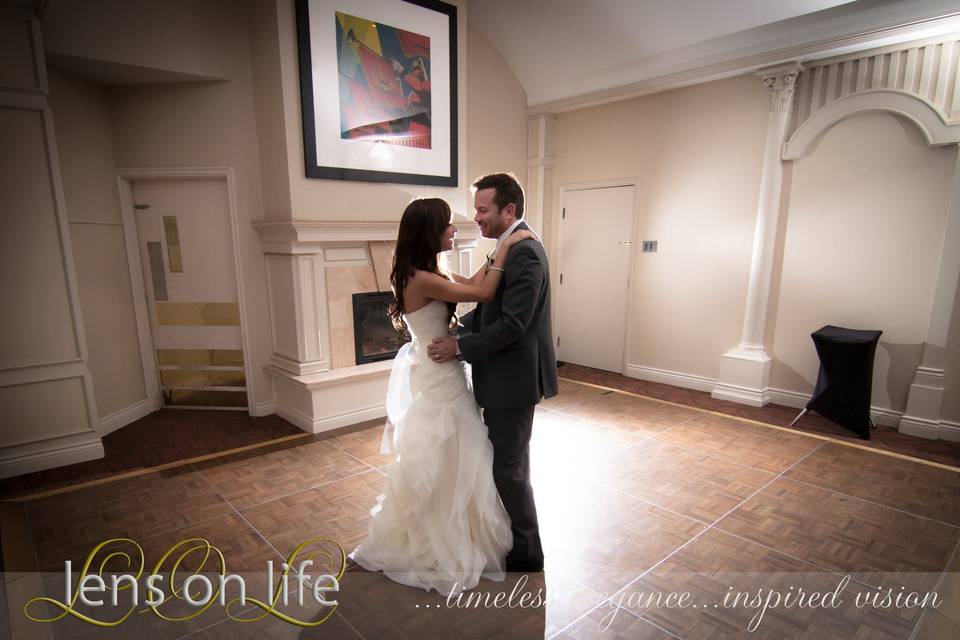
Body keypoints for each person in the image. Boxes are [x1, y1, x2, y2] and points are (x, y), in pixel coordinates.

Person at [349, 196, 534, 597]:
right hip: (439, 375)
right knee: (452, 447)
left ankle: (460, 530)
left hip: (445, 369)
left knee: (461, 448)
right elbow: (483, 294)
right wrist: (503, 248)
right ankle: (438, 540)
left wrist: (496, 254)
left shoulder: (433, 269)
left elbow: (471, 284)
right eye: (449, 224)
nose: (455, 230)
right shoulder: (419, 276)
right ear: (430, 230)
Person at [427, 172, 559, 573]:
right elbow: (489, 308)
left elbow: (515, 324)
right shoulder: (506, 247)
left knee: (509, 466)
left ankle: (528, 551)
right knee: (503, 461)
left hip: (513, 380)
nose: (476, 218)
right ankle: (509, 536)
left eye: (483, 210)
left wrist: (460, 347)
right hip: (501, 375)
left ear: (509, 210)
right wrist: (460, 330)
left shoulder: (526, 253)